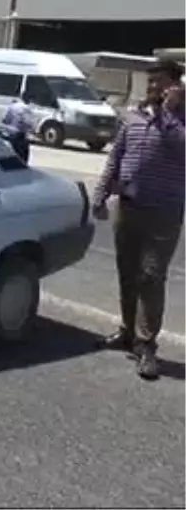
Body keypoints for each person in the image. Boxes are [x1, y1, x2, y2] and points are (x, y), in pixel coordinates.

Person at [92, 58, 186, 380]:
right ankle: (127, 332)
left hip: (163, 213)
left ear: (176, 84)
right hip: (128, 207)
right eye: (151, 82)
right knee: (128, 274)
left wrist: (170, 115)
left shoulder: (181, 120)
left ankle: (147, 345)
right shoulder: (133, 116)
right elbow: (116, 157)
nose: (153, 88)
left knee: (151, 276)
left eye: (160, 82)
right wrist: (100, 195)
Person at [0, 93, 33, 163]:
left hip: (10, 134)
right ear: (29, 100)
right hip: (20, 135)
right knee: (22, 158)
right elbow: (28, 124)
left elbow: (5, 120)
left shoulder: (12, 106)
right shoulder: (27, 109)